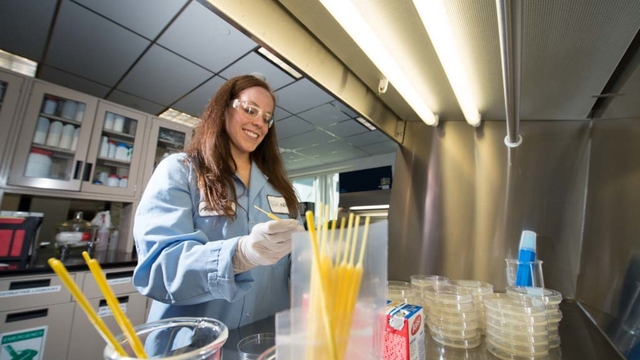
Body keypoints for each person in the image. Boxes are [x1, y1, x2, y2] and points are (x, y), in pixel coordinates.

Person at [132, 74, 304, 330]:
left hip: (263, 342)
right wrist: (239, 255)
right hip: (193, 345)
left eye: (267, 118)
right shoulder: (181, 171)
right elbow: (158, 270)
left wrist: (315, 262)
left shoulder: (280, 189)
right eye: (250, 110)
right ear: (224, 109)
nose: (259, 122)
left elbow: (297, 261)